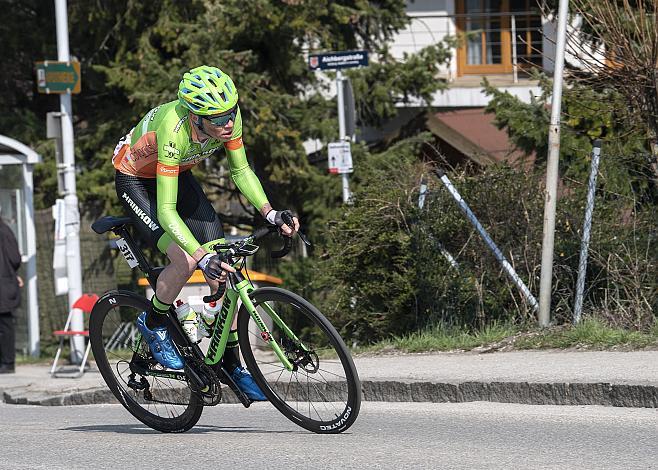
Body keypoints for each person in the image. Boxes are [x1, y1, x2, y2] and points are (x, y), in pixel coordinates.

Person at [112, 65, 299, 400]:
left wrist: (271, 213)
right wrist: (201, 256)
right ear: (196, 117)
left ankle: (229, 364)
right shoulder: (174, 128)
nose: (227, 124)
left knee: (224, 271)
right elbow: (166, 211)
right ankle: (154, 324)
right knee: (184, 261)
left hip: (176, 174)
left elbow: (241, 170)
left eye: (230, 114)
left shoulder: (229, 118)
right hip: (137, 181)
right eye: (217, 119)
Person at [0, 206, 22, 374]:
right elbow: (14, 258)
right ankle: (6, 362)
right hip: (5, 282)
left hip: (4, 285)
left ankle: (8, 362)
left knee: (5, 324)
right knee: (5, 325)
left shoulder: (4, 231)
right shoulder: (5, 230)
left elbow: (14, 258)